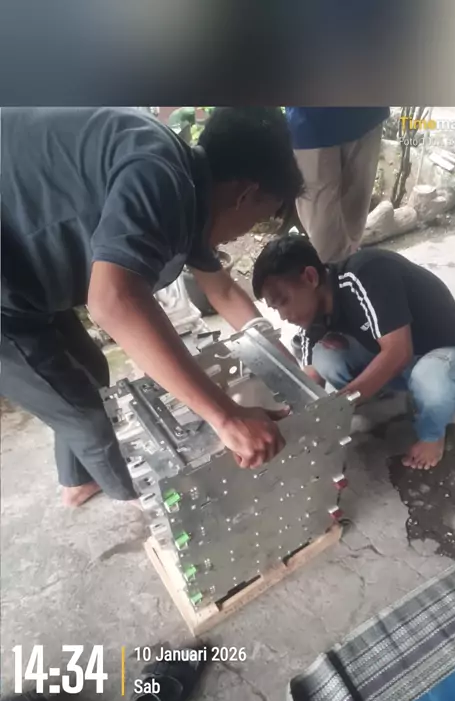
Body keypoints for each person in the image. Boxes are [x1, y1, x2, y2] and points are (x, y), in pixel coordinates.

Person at [1, 107, 304, 507]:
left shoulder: (187, 185)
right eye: (259, 218)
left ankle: (77, 478)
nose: (246, 232)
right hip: (8, 289)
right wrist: (226, 417)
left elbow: (224, 293)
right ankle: (137, 500)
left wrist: (286, 365)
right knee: (86, 414)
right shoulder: (160, 176)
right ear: (245, 194)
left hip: (25, 261)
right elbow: (113, 302)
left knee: (91, 368)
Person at [252, 235, 455, 470]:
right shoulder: (314, 311)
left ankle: (432, 436)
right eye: (275, 308)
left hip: (446, 353)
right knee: (324, 356)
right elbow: (310, 374)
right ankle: (377, 391)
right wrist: (290, 416)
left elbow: (399, 352)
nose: (283, 316)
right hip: (404, 364)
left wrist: (340, 405)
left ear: (310, 277)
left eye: (283, 301)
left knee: (431, 378)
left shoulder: (366, 273)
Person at [285, 107, 389, 263]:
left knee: (355, 221)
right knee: (324, 238)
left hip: (367, 113)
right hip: (310, 120)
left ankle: (348, 268)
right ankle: (334, 273)